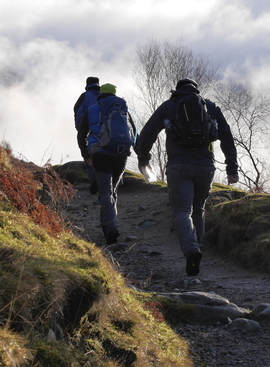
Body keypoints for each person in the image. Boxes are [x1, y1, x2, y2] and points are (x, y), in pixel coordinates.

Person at [135, 78, 239, 276]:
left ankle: (191, 250)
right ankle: (197, 250)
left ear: (177, 90)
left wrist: (143, 159)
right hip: (206, 167)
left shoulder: (169, 106)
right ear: (196, 90)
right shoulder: (210, 107)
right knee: (198, 209)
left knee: (183, 210)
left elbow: (148, 133)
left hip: (179, 166)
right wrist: (232, 167)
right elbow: (226, 136)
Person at [77, 83, 137, 245]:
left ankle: (111, 228)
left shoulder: (92, 110)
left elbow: (81, 135)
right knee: (113, 191)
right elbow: (134, 132)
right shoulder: (123, 110)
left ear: (101, 94)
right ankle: (107, 226)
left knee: (105, 192)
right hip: (121, 154)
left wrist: (86, 154)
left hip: (101, 154)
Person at [73, 77, 101, 193]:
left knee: (90, 154)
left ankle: (93, 183)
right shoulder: (104, 95)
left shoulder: (84, 96)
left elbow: (78, 111)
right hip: (106, 131)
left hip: (90, 129)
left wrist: (80, 129)